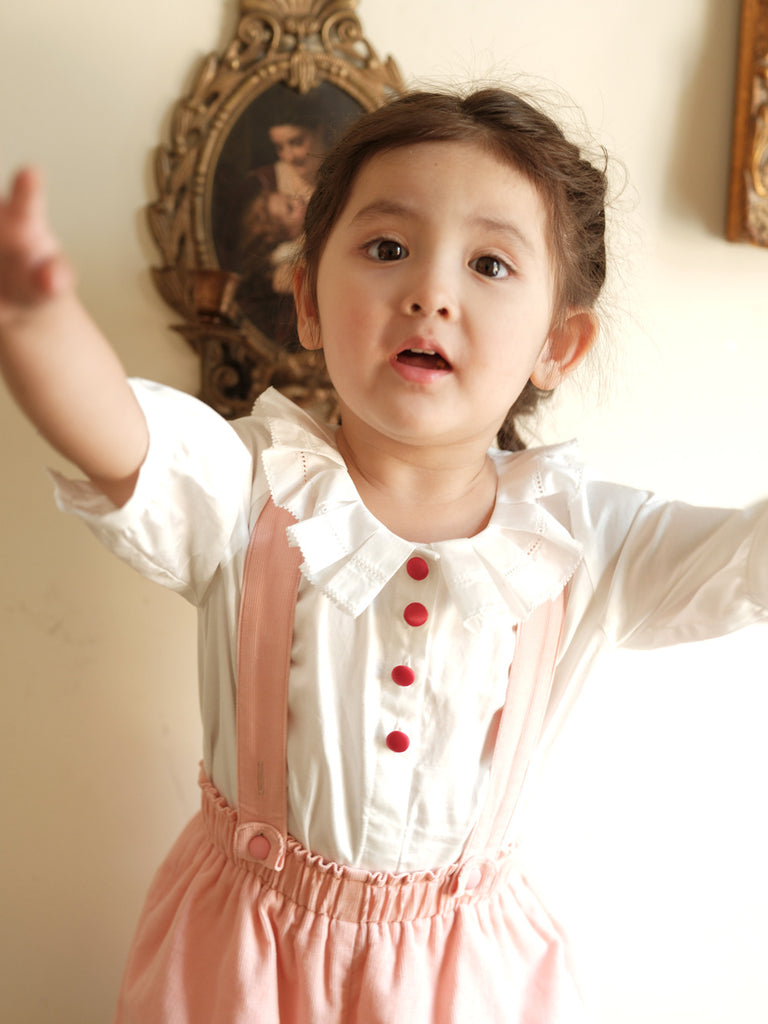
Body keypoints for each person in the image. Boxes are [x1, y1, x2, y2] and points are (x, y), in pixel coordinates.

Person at [1, 87, 767, 1023]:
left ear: (558, 345)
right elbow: (122, 438)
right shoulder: (250, 487)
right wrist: (36, 328)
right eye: (388, 248)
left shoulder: (586, 537)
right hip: (242, 967)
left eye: (489, 263)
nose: (430, 293)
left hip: (468, 984)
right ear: (309, 302)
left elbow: (745, 565)